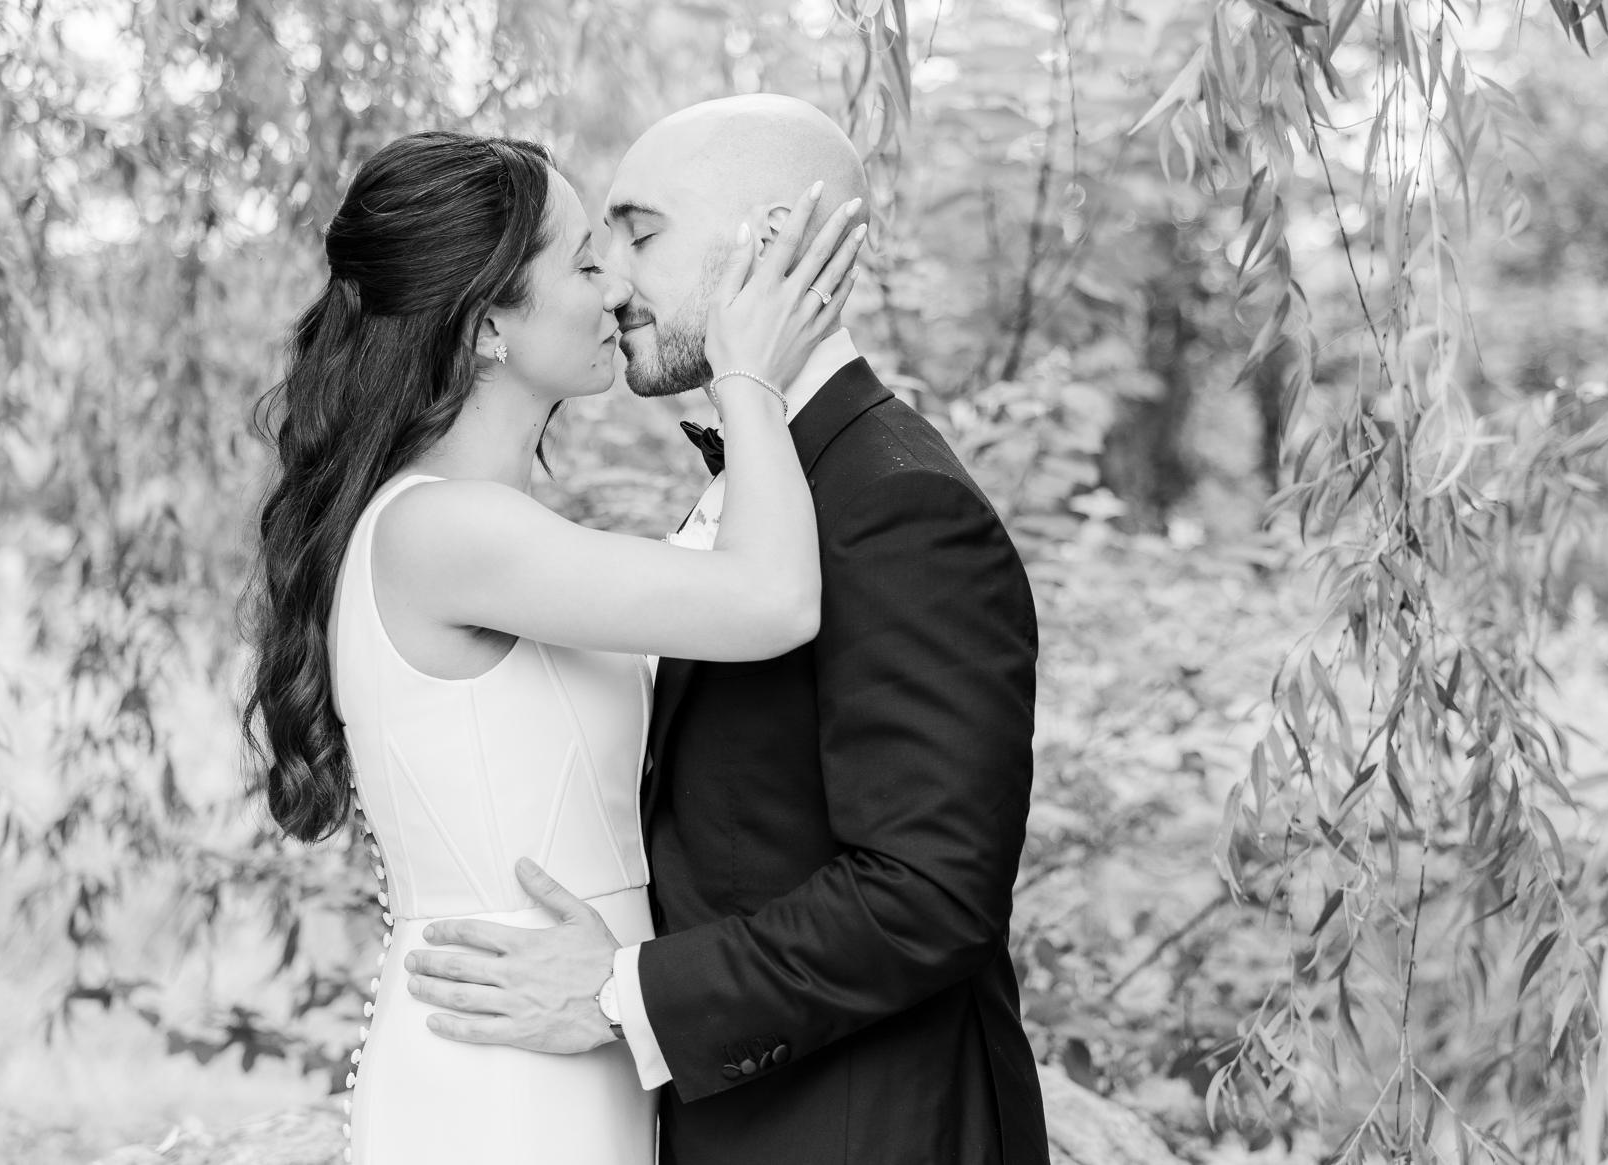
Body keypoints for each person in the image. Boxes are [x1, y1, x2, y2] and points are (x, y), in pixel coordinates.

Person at [405, 95, 1051, 1165]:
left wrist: (622, 993)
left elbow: (930, 890)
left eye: (639, 233)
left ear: (769, 242)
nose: (611, 280)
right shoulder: (773, 485)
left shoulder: (898, 501)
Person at [242, 127, 865, 1164]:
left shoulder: (495, 530)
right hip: (502, 1076)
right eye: (583, 263)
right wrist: (747, 375)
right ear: (489, 325)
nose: (618, 287)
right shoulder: (445, 531)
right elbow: (772, 599)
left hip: (568, 1040)